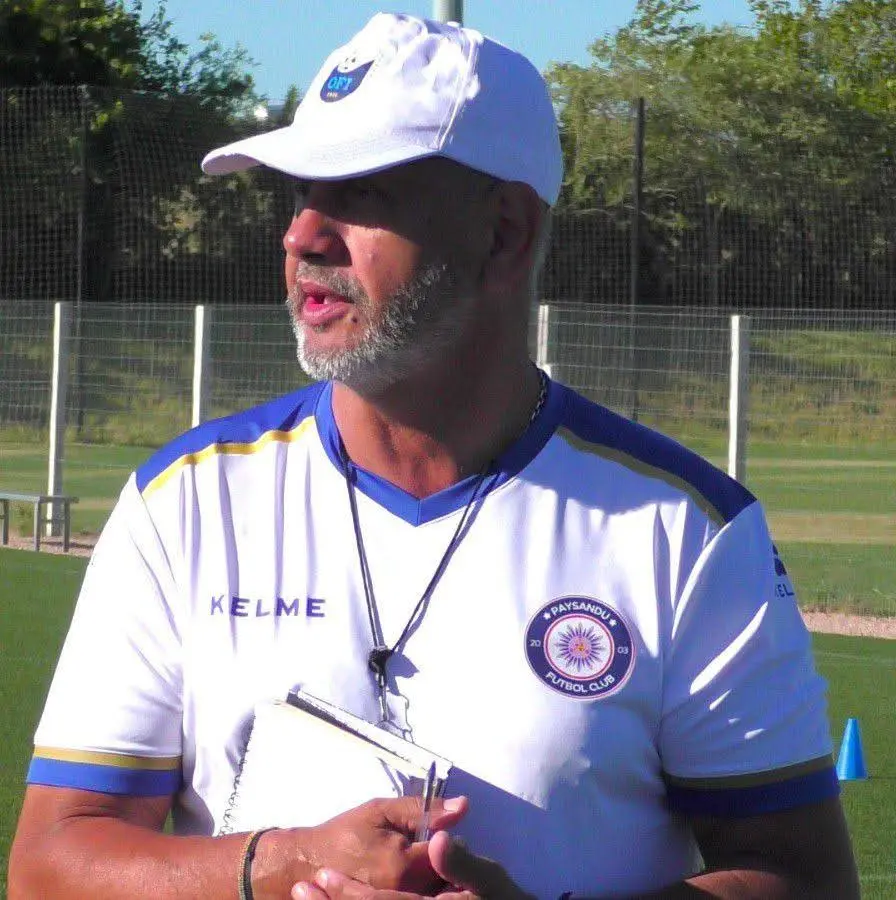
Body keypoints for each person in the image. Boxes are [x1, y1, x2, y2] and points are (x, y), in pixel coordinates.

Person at [9, 12, 858, 900]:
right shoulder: (182, 503)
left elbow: (805, 881)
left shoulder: (686, 529)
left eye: (361, 194)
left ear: (504, 233)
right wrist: (276, 863)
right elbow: (47, 868)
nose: (303, 236)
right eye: (299, 195)